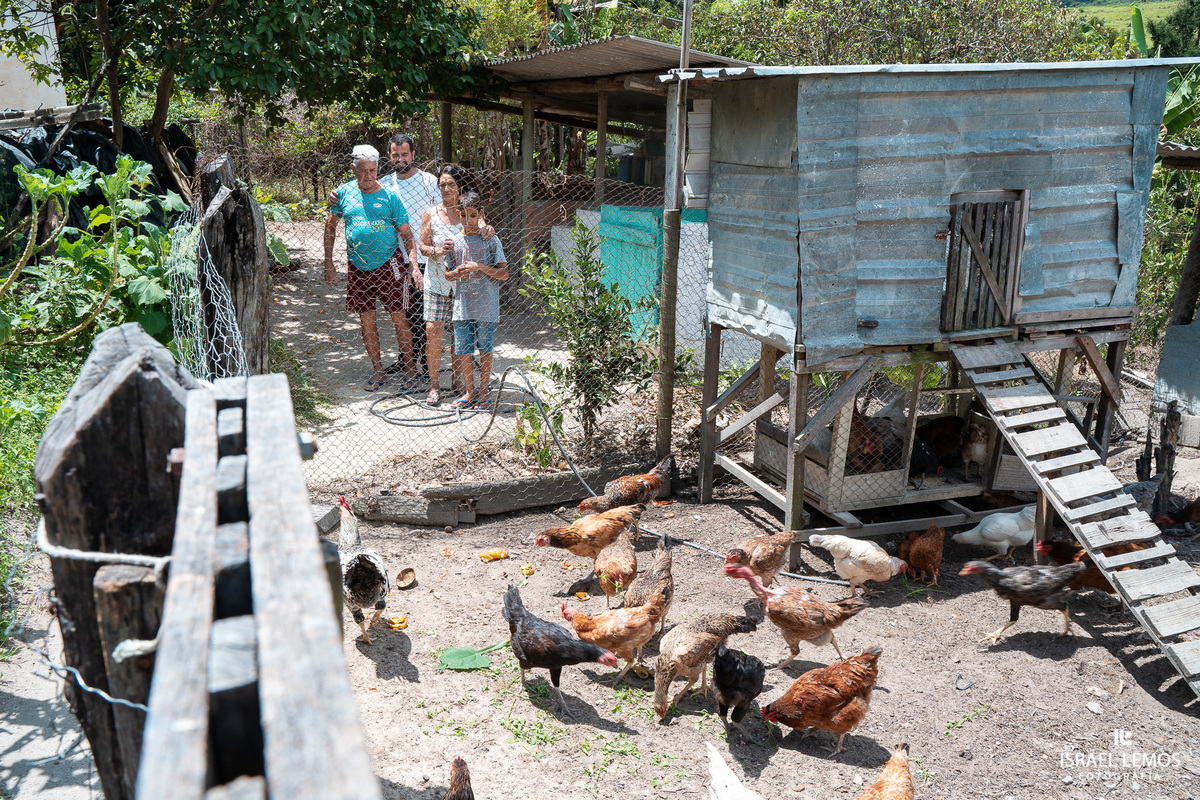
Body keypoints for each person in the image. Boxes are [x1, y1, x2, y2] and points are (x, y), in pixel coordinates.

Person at [323, 144, 421, 392]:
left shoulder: (389, 196)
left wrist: (412, 264)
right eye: (363, 170)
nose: (368, 175)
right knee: (366, 319)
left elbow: (407, 234)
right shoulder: (342, 193)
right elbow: (330, 227)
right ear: (353, 168)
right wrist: (328, 262)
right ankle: (378, 371)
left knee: (399, 317)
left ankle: (410, 370)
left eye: (373, 170)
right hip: (357, 266)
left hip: (389, 263)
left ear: (378, 168)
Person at [378, 134, 439, 382]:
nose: (400, 159)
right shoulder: (384, 184)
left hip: (423, 257)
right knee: (400, 313)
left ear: (413, 155)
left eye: (405, 154)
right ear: (389, 156)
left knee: (420, 312)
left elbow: (443, 211)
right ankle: (406, 360)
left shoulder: (429, 182)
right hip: (394, 257)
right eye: (395, 155)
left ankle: (424, 364)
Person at [445, 191, 507, 410]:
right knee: (463, 350)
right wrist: (456, 273)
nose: (468, 220)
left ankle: (483, 391)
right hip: (462, 307)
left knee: (485, 349)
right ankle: (469, 391)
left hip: (486, 306)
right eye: (464, 215)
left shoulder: (490, 240)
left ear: (481, 214)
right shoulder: (454, 242)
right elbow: (447, 274)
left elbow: (504, 274)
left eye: (473, 215)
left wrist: (480, 267)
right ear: (457, 214)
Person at [418, 164, 470, 405]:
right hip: (437, 281)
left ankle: (457, 380)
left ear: (460, 186)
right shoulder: (430, 214)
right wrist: (437, 251)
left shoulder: (468, 212)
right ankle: (434, 384)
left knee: (458, 332)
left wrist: (488, 230)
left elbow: (482, 232)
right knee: (433, 330)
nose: (446, 189)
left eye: (451, 184)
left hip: (462, 282)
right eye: (442, 185)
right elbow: (422, 246)